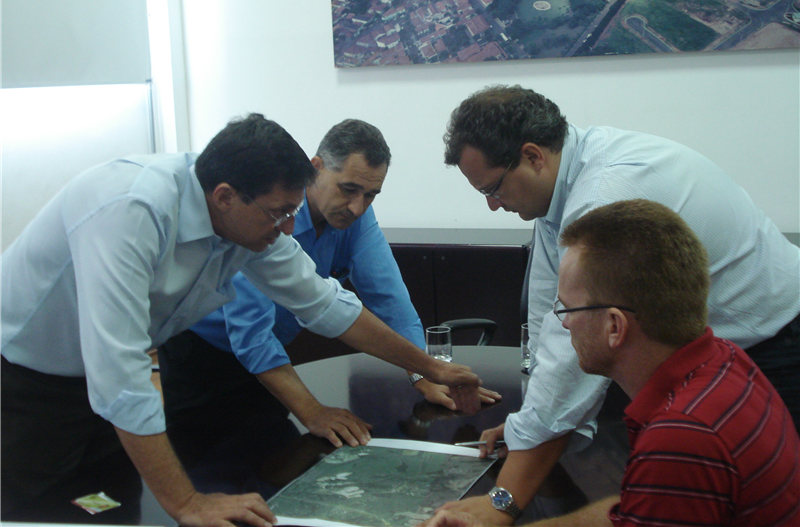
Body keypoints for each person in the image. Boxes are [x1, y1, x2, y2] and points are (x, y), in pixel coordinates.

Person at [0, 114, 481, 525]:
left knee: (107, 505)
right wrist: (188, 503)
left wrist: (431, 368)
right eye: (280, 214)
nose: (290, 227)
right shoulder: (129, 210)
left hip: (103, 386)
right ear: (226, 196)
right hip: (27, 384)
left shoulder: (246, 219)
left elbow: (325, 303)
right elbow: (122, 374)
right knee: (37, 513)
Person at [434, 85, 800, 524]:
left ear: (533, 156)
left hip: (777, 345)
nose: (493, 206)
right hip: (713, 355)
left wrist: (503, 501)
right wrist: (526, 427)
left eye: (493, 188)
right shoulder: (569, 179)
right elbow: (549, 315)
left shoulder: (605, 194)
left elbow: (565, 356)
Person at [159, 119, 501, 456]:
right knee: (205, 464)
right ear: (316, 169)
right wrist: (313, 411)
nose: (357, 206)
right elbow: (250, 335)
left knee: (271, 461)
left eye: (370, 195)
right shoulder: (265, 218)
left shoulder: (356, 217)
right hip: (202, 355)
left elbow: (387, 300)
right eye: (349, 189)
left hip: (275, 362)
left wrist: (423, 372)